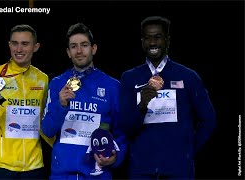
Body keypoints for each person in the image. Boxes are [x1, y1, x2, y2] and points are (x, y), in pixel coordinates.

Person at [119, 16, 216, 179]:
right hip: (141, 171)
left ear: (167, 40)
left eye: (157, 37)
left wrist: (188, 151)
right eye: (147, 38)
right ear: (142, 41)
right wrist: (142, 106)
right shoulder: (129, 78)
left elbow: (209, 120)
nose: (152, 43)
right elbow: (125, 127)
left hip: (179, 171)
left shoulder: (188, 77)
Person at [41, 23, 127, 179]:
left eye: (84, 45)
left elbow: (121, 131)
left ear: (93, 49)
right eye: (73, 46)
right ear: (68, 52)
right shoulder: (57, 83)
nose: (79, 51)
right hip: (62, 174)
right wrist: (61, 105)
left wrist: (116, 157)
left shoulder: (112, 86)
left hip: (97, 174)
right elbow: (47, 130)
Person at [0, 24, 54, 179]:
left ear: (35, 47)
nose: (19, 49)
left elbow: (44, 124)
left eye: (25, 44)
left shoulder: (42, 79)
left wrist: (62, 148)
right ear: (9, 45)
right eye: (15, 43)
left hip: (33, 166)